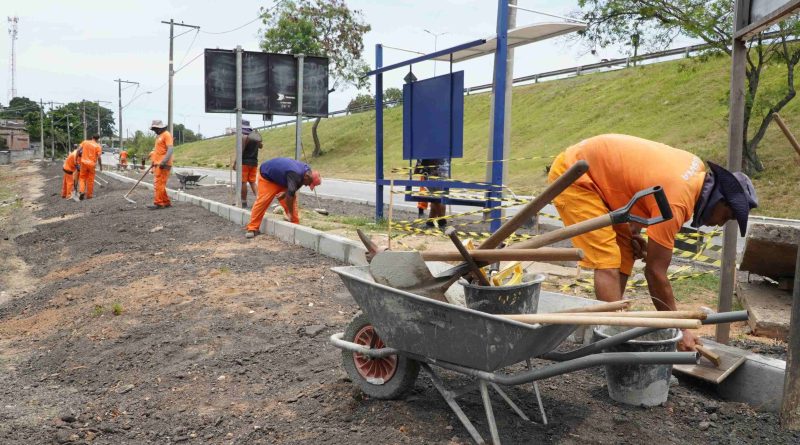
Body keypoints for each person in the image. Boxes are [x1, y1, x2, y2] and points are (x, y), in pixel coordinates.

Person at [548, 134, 758, 351]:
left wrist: (634, 229)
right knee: (607, 261)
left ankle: (610, 329)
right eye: (727, 216)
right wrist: (681, 329)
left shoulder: (694, 172)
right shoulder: (676, 202)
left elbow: (638, 180)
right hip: (577, 175)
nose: (721, 224)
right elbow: (655, 274)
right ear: (719, 200)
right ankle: (614, 339)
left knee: (625, 252)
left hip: (596, 170)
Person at [245, 157, 321, 238]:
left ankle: (295, 225)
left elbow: (297, 185)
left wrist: (284, 193)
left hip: (283, 178)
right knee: (263, 201)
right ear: (307, 177)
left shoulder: (306, 172)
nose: (307, 185)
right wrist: (290, 212)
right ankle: (252, 228)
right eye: (309, 184)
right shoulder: (296, 174)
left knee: (291, 201)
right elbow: (291, 193)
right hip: (267, 176)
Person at [233, 120, 262, 207]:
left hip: (244, 163)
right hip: (254, 162)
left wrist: (235, 163)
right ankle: (259, 200)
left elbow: (240, 151)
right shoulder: (255, 138)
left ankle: (244, 201)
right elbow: (261, 146)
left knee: (243, 182)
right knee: (252, 182)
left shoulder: (244, 137)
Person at [414, 158, 450, 228]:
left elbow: (420, 161)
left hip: (433, 172)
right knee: (437, 196)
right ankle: (430, 222)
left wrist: (417, 169)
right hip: (445, 170)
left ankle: (442, 221)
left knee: (436, 197)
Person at [147, 120, 174, 209]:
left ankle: (158, 203)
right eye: (154, 129)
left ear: (160, 128)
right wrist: (153, 162)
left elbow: (170, 150)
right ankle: (166, 202)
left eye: (155, 128)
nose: (154, 130)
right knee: (160, 184)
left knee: (158, 184)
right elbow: (157, 152)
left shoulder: (166, 134)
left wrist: (163, 162)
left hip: (163, 164)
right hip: (158, 163)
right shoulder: (159, 136)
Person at [77, 134, 103, 200]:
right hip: (92, 165)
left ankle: (82, 191)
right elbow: (99, 157)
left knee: (82, 178)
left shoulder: (85, 142)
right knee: (90, 180)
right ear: (98, 139)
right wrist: (100, 166)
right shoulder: (98, 146)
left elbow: (78, 150)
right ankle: (89, 195)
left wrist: (76, 160)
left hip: (83, 163)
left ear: (92, 137)